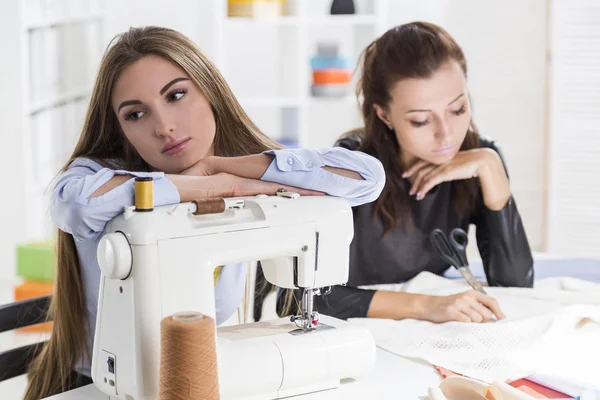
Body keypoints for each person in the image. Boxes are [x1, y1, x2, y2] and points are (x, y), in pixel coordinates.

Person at [24, 26, 385, 400]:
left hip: (195, 380)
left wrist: (219, 167)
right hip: (91, 388)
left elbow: (367, 178)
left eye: (176, 95)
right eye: (136, 114)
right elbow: (73, 205)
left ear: (209, 89)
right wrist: (216, 187)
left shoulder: (241, 165)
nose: (164, 127)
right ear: (120, 128)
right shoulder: (100, 180)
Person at [300, 22, 534, 323]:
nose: (446, 134)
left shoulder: (478, 159)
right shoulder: (352, 165)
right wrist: (426, 306)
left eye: (458, 109)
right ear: (384, 115)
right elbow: (309, 296)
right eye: (421, 121)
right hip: (358, 334)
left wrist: (491, 167)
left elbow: (515, 287)